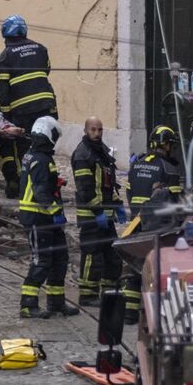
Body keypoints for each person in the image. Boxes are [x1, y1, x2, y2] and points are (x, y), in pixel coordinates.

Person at [0, 15, 59, 199]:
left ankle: (22, 183)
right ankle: (47, 181)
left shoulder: (4, 57)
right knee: (43, 145)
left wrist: (3, 114)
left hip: (22, 111)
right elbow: (46, 71)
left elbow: (1, 89)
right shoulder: (41, 49)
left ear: (6, 35)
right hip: (46, 107)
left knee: (21, 149)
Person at [18, 116, 79, 318]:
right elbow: (41, 192)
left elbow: (40, 183)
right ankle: (28, 304)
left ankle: (56, 303)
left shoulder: (33, 155)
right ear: (47, 134)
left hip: (43, 217)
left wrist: (56, 182)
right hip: (38, 217)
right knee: (41, 260)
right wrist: (56, 212)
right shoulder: (42, 159)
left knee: (59, 259)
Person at [72, 117, 125, 306]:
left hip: (105, 215)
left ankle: (108, 292)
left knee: (112, 256)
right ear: (86, 130)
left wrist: (116, 203)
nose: (97, 133)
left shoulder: (101, 152)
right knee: (91, 256)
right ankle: (87, 295)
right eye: (93, 130)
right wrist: (98, 211)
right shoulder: (82, 154)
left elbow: (107, 184)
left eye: (100, 130)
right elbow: (85, 189)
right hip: (91, 216)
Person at [127, 125, 182, 221]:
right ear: (165, 145)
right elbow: (174, 201)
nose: (173, 149)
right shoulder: (169, 169)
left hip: (135, 222)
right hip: (155, 224)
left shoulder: (135, 164)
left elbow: (129, 193)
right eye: (171, 145)